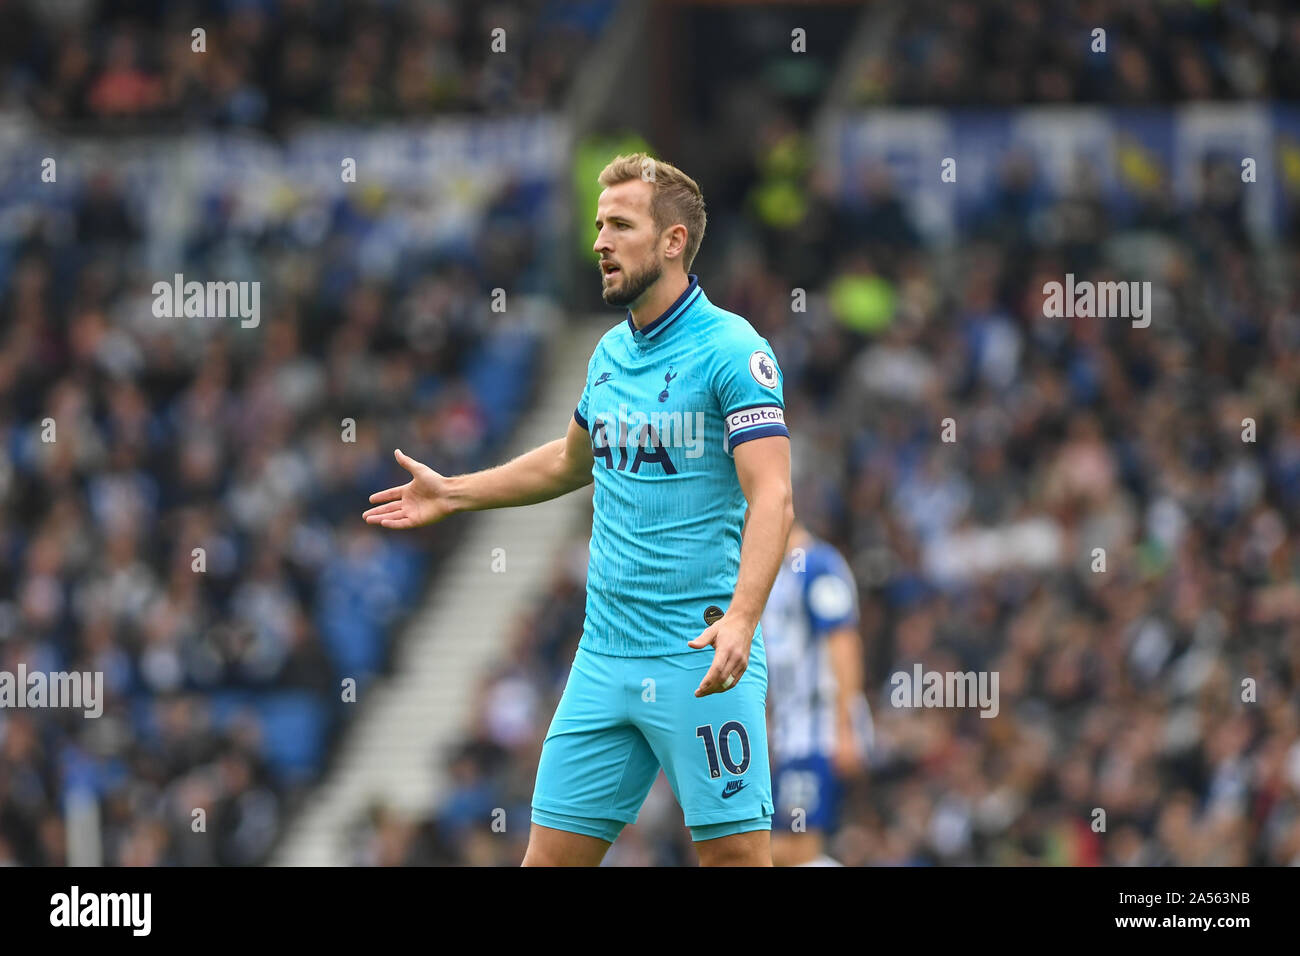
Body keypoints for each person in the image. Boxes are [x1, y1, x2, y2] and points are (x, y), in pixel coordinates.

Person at [363, 153, 793, 866]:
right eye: (599, 225)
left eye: (620, 225)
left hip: (700, 653)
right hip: (603, 659)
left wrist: (744, 618)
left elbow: (773, 493)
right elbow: (569, 461)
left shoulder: (733, 350)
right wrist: (456, 492)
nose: (599, 240)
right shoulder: (608, 355)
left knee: (736, 858)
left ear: (673, 241)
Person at [762, 518, 872, 866]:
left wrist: (844, 727)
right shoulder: (772, 575)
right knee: (789, 848)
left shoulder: (818, 565)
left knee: (794, 849)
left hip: (818, 731)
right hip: (790, 733)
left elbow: (843, 644)